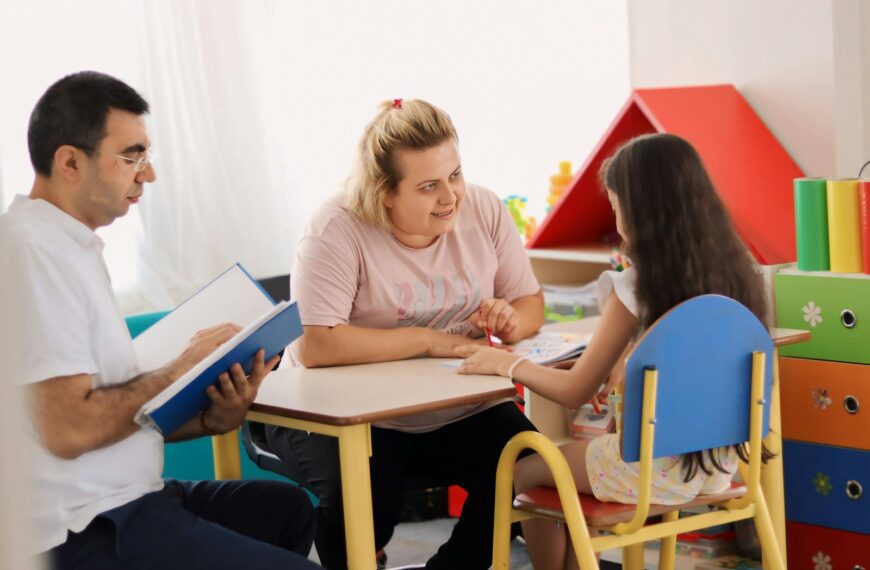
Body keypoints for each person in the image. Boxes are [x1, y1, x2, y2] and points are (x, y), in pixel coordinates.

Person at [0, 71, 319, 570]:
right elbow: (69, 429)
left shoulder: (70, 246)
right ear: (69, 162)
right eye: (132, 157)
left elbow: (106, 412)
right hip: (84, 525)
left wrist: (209, 419)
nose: (146, 175)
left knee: (287, 511)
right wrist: (178, 369)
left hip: (132, 495)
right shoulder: (29, 253)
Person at [456, 133, 769, 570]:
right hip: (718, 467)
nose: (616, 218)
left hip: (650, 472)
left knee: (523, 466)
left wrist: (509, 364)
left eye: (617, 206)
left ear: (640, 211)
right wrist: (628, 357)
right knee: (566, 465)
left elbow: (573, 391)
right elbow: (685, 349)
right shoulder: (739, 276)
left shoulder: (636, 285)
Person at [264, 98, 545, 569]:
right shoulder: (335, 226)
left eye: (455, 175)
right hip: (339, 415)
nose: (451, 197)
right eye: (429, 186)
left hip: (451, 406)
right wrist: (429, 340)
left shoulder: (484, 209)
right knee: (368, 496)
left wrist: (511, 319)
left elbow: (530, 304)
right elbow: (318, 345)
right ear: (384, 192)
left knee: (528, 468)